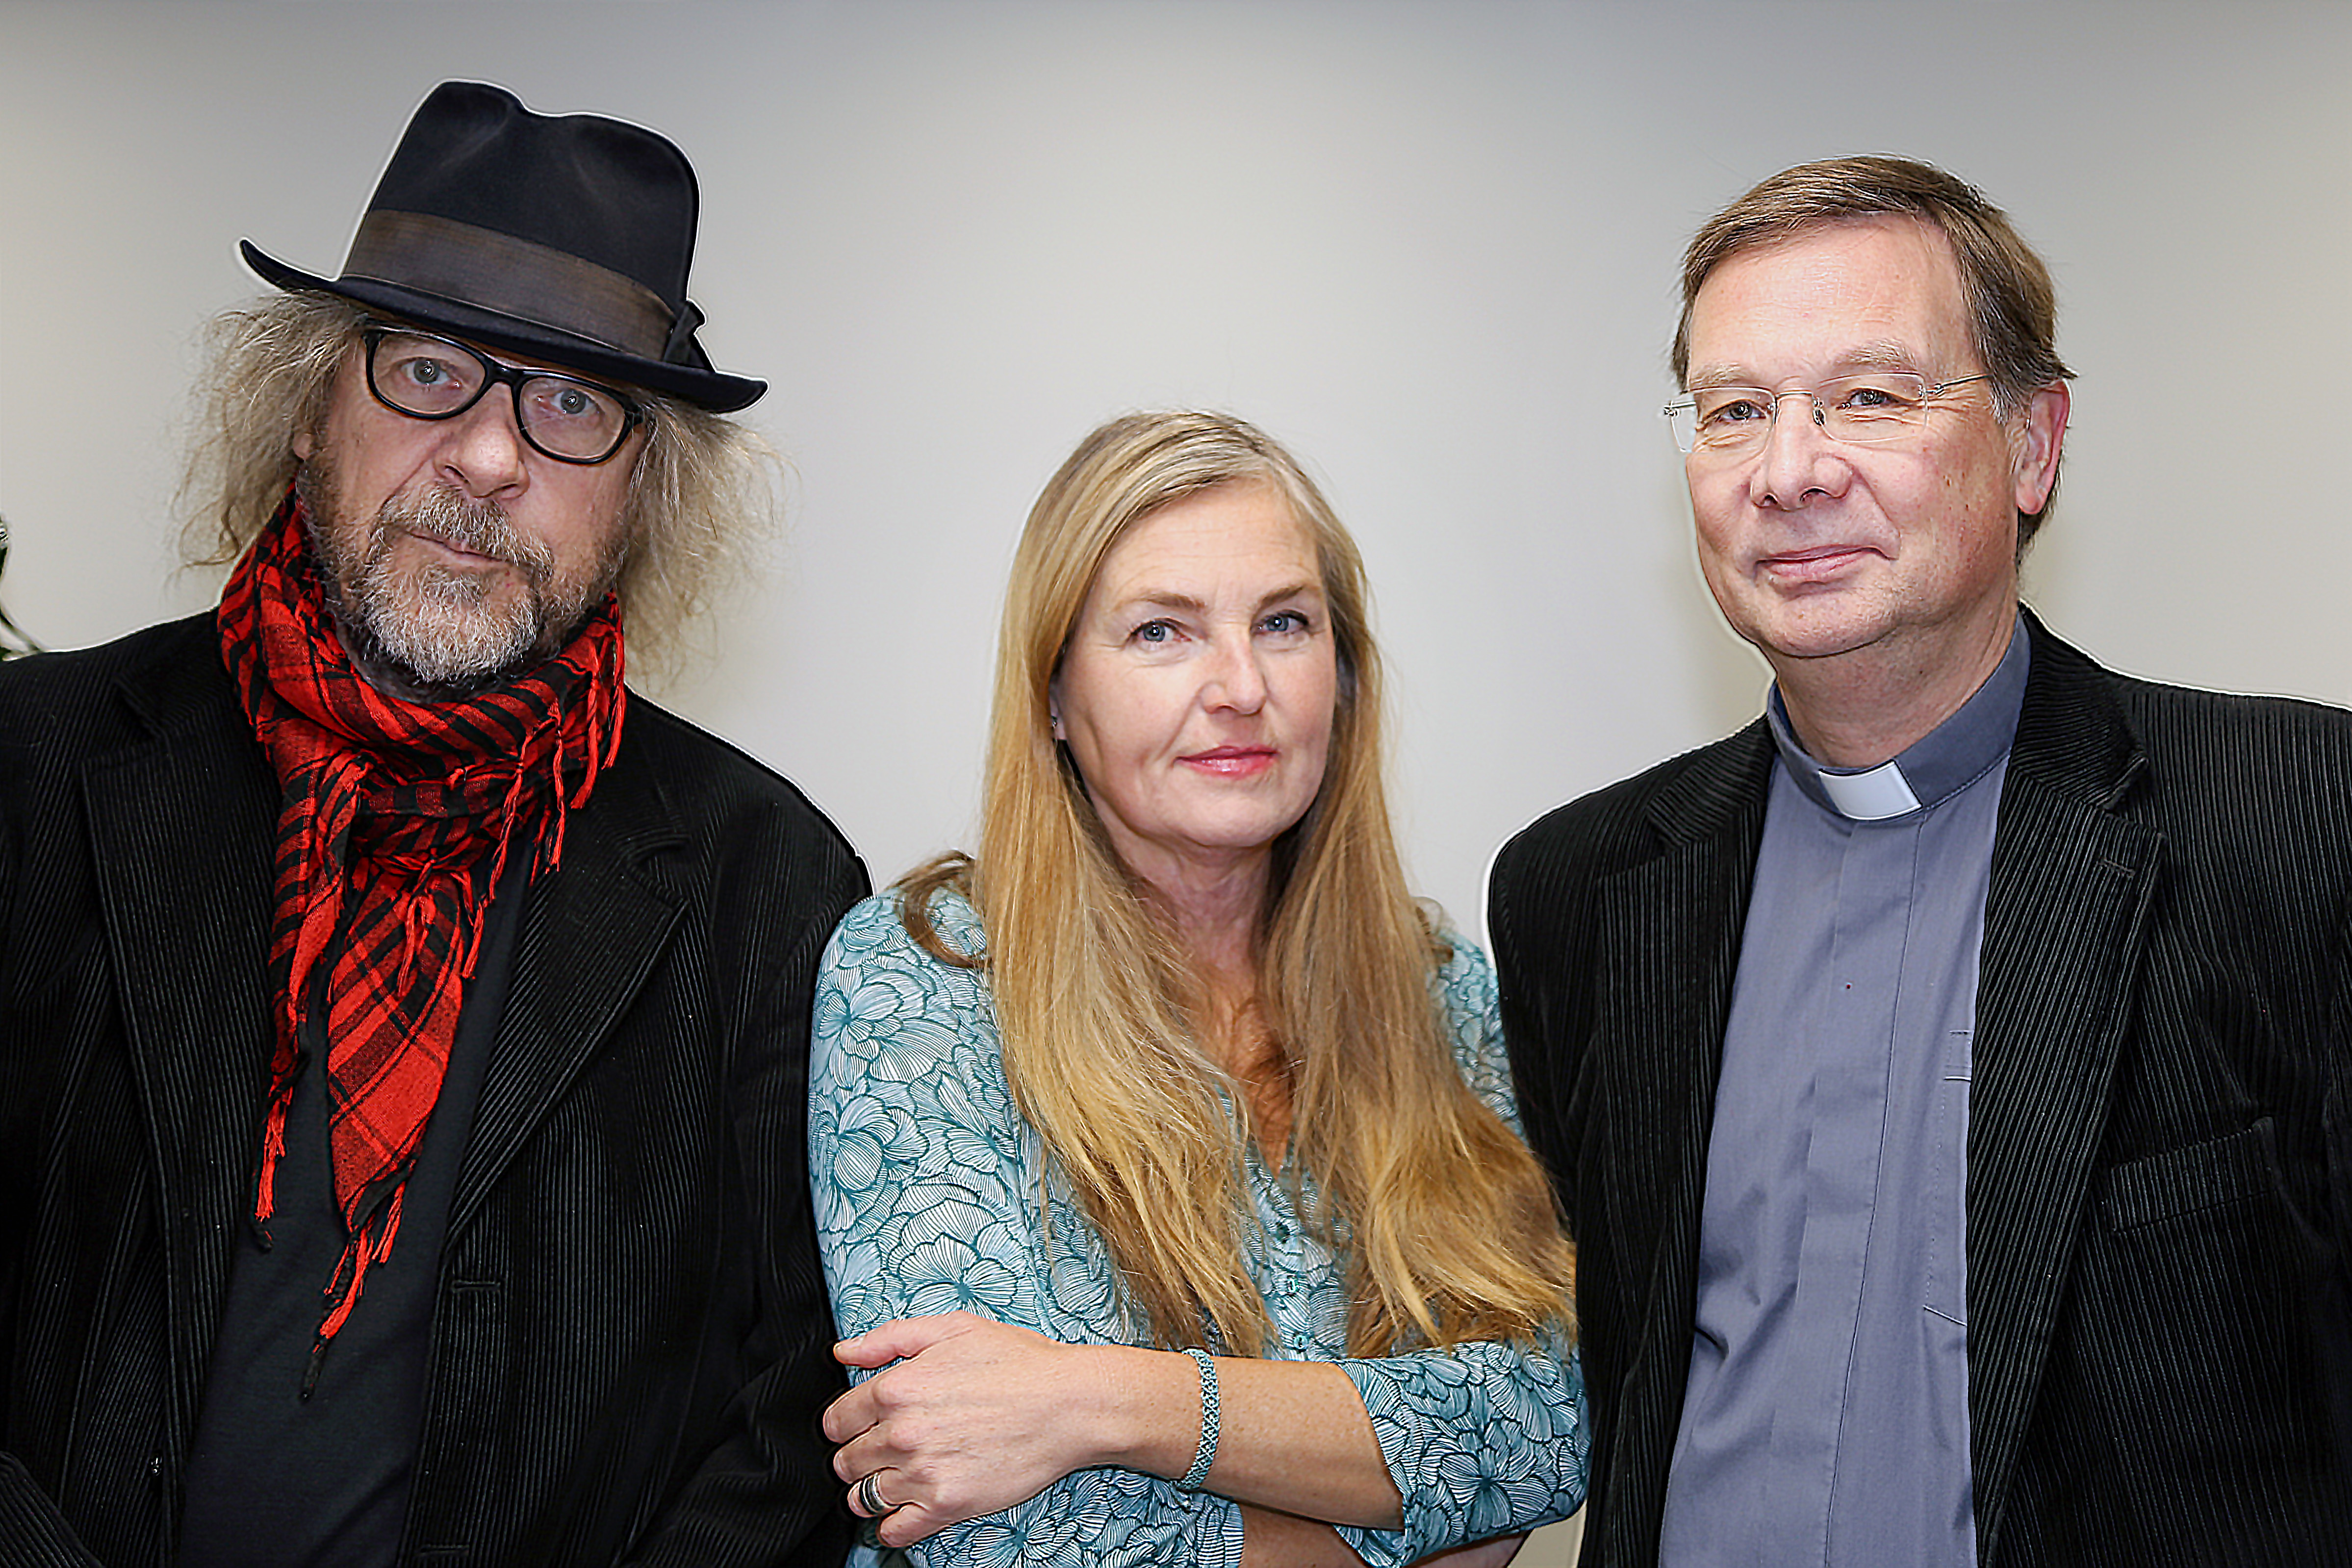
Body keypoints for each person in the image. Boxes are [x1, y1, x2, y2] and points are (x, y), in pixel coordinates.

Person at [0, 81, 865, 1564]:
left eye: (574, 404)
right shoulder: (34, 768)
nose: (488, 457)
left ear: (640, 495)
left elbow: (797, 1411)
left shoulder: (766, 881)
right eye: (428, 370)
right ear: (308, 414)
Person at [1489, 154, 2352, 1567]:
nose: (1788, 471)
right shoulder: (1577, 893)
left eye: (1871, 398)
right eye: (1734, 412)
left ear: (2032, 446)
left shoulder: (2296, 820)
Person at [808, 410, 1586, 1566]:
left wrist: (1106, 1402)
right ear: (1055, 696)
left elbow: (1550, 1421)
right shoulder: (927, 975)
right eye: (1161, 631)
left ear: (1345, 678)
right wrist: (1410, 1532)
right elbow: (996, 1529)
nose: (1239, 686)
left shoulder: (1438, 993)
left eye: (1283, 623)